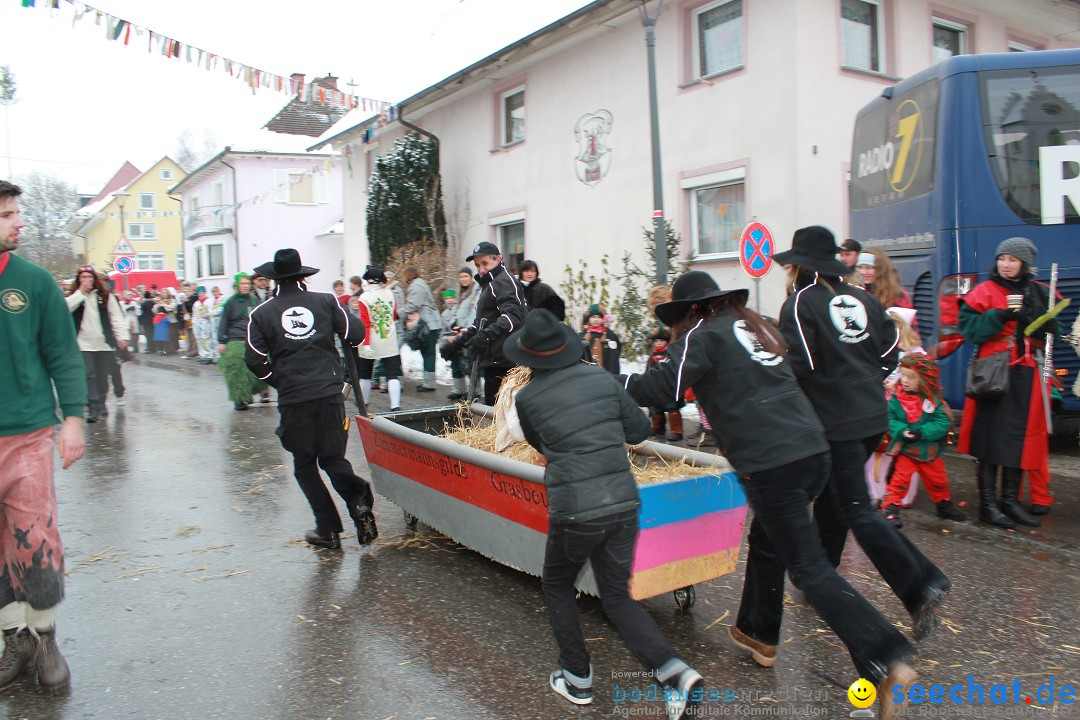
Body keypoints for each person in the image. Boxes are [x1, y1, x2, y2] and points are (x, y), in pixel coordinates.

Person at [622, 271, 916, 719]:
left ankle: (886, 656)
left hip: (773, 462)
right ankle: (759, 632)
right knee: (768, 541)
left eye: (678, 316)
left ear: (692, 309)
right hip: (812, 450)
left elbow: (662, 390)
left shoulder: (701, 333)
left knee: (810, 571)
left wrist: (611, 383)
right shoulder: (755, 324)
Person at [507, 310, 704, 720]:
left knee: (558, 585)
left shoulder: (526, 398)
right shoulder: (602, 379)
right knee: (616, 596)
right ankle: (674, 674)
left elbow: (542, 444)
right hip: (623, 502)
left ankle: (577, 678)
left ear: (531, 358)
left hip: (576, 510)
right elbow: (637, 431)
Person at [772, 226, 950, 640]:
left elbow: (798, 366)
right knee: (837, 500)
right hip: (871, 417)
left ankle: (922, 583)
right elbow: (891, 350)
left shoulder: (800, 303)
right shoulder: (863, 298)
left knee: (855, 507)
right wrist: (866, 378)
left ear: (799, 265)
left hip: (835, 420)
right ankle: (821, 577)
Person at [0, 180, 85, 692]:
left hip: (27, 434)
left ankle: (46, 637)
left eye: (15, 212)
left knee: (34, 540)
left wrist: (72, 418)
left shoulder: (32, 281)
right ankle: (16, 641)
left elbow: (62, 352)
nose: (19, 222)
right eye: (8, 214)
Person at [245, 249, 378, 549]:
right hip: (329, 391)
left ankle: (328, 530)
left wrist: (276, 378)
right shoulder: (326, 301)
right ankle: (358, 502)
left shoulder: (262, 313)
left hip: (293, 397)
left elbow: (253, 359)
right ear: (302, 276)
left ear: (274, 279)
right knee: (332, 458)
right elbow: (355, 334)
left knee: (305, 465)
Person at [957, 237, 1055, 528]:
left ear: (1024, 263)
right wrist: (998, 316)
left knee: (1017, 440)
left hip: (1027, 373)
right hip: (994, 373)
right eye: (1002, 259)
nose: (1006, 264)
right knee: (989, 439)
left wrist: (1051, 327)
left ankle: (1009, 502)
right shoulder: (985, 291)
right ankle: (988, 505)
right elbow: (970, 330)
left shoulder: (1038, 292)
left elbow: (1051, 330)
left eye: (1012, 259)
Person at [880, 354, 965, 527]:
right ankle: (890, 509)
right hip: (907, 451)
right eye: (902, 375)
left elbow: (942, 422)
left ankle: (944, 505)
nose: (904, 380)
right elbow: (891, 419)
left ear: (924, 379)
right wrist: (902, 431)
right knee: (899, 481)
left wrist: (922, 432)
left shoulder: (934, 400)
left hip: (930, 452)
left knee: (939, 481)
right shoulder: (896, 399)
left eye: (910, 377)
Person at [441, 242, 528, 405]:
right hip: (494, 359)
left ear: (498, 259)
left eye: (485, 263)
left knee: (499, 415)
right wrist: (458, 343)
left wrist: (487, 335)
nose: (480, 269)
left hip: (506, 361)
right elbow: (480, 324)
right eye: (477, 265)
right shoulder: (489, 283)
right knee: (493, 413)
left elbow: (512, 317)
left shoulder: (503, 281)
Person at [65, 266, 130, 423]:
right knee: (89, 375)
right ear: (79, 280)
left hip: (103, 343)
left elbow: (116, 317)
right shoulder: (74, 296)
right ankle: (92, 407)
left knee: (102, 376)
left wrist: (122, 337)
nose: (87, 280)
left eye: (89, 277)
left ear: (94, 279)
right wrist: (81, 292)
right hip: (82, 344)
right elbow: (64, 309)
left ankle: (101, 403)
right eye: (83, 277)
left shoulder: (105, 296)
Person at [355, 266, 403, 411]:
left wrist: (366, 344)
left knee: (365, 374)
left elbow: (366, 323)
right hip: (389, 338)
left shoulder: (364, 297)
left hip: (371, 339)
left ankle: (364, 403)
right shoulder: (390, 294)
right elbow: (394, 315)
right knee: (392, 374)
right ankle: (395, 405)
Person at [217, 273, 266, 410]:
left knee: (259, 366)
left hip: (252, 338)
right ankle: (239, 398)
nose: (245, 286)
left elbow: (262, 318)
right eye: (243, 284)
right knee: (238, 369)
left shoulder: (255, 300)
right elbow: (223, 322)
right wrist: (221, 341)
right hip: (235, 339)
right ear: (238, 285)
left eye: (247, 284)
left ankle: (248, 393)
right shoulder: (230, 303)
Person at [400, 265, 443, 392]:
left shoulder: (416, 286)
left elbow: (413, 305)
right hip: (432, 323)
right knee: (428, 352)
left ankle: (429, 383)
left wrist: (398, 313)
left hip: (428, 324)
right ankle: (428, 381)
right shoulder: (421, 284)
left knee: (428, 352)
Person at [446, 266, 480, 401]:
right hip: (458, 331)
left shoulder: (476, 291)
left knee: (470, 362)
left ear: (471, 277)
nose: (463, 279)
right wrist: (453, 324)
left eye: (466, 276)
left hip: (468, 331)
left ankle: (475, 391)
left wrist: (464, 327)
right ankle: (458, 389)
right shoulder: (459, 293)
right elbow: (454, 310)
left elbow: (474, 312)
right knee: (456, 360)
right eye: (461, 277)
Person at [580, 303, 622, 375]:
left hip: (607, 376)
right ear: (589, 318)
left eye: (599, 317)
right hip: (587, 377)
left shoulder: (610, 335)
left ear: (604, 319)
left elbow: (615, 355)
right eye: (593, 317)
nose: (596, 320)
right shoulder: (583, 335)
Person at [191, 286, 217, 364]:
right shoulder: (196, 303)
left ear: (205, 292)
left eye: (202, 292)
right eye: (200, 292)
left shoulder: (209, 301)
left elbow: (213, 311)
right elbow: (194, 314)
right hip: (198, 323)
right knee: (199, 340)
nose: (201, 293)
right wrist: (194, 323)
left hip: (206, 323)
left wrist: (208, 314)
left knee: (207, 340)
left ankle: (209, 356)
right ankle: (203, 355)